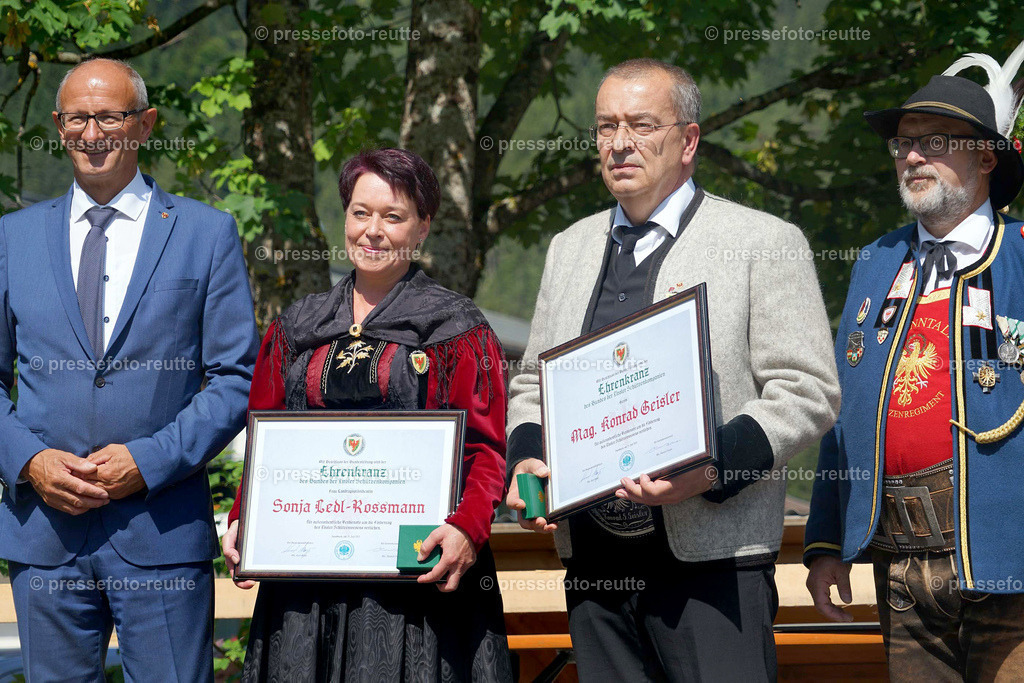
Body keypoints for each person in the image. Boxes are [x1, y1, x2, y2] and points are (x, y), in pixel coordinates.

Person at [504, 58, 840, 681]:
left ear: (688, 141)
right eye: (606, 126)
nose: (619, 143)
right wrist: (528, 457)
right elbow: (530, 386)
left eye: (641, 124)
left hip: (712, 566)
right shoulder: (568, 247)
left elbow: (808, 391)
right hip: (596, 569)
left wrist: (711, 465)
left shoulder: (764, 240)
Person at [0, 58, 259, 681]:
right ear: (59, 127)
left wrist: (149, 461)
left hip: (161, 531)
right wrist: (29, 463)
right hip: (45, 539)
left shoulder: (206, 234)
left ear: (143, 126)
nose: (92, 135)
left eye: (109, 117)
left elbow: (235, 378)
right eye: (77, 119)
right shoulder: (12, 238)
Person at [221, 148, 513, 681]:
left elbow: (486, 451)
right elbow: (264, 440)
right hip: (305, 591)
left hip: (417, 582)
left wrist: (468, 530)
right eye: (360, 213)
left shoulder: (458, 329)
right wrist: (245, 518)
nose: (373, 231)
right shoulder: (296, 328)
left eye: (393, 216)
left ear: (422, 227)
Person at [805, 43, 1024, 680]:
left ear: (986, 155)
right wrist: (825, 545)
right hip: (898, 564)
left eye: (935, 140)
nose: (911, 155)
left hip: (1006, 559)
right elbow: (838, 417)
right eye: (903, 142)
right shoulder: (875, 262)